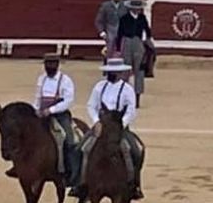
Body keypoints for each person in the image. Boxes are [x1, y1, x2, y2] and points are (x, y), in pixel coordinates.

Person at [71, 58, 142, 200]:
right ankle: (80, 183)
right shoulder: (100, 87)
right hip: (101, 126)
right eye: (109, 72)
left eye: (114, 72)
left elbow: (131, 111)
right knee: (81, 149)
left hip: (118, 127)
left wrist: (121, 124)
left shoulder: (127, 90)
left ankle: (133, 184)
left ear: (120, 73)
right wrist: (96, 121)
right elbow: (91, 105)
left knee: (135, 150)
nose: (111, 74)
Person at [27, 53, 77, 185]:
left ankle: (70, 172)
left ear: (57, 65)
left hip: (60, 115)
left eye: (52, 64)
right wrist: (36, 110)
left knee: (70, 140)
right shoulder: (41, 79)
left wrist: (50, 110)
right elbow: (37, 98)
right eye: (47, 64)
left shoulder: (65, 80)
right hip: (42, 114)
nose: (49, 67)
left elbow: (68, 101)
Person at [115, 0, 152, 107]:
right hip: (127, 42)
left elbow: (148, 31)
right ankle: (125, 96)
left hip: (138, 42)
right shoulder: (124, 18)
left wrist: (147, 42)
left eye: (138, 8)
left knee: (139, 70)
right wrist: (118, 48)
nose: (137, 10)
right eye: (135, 8)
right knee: (125, 71)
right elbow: (120, 33)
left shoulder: (142, 18)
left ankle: (137, 98)